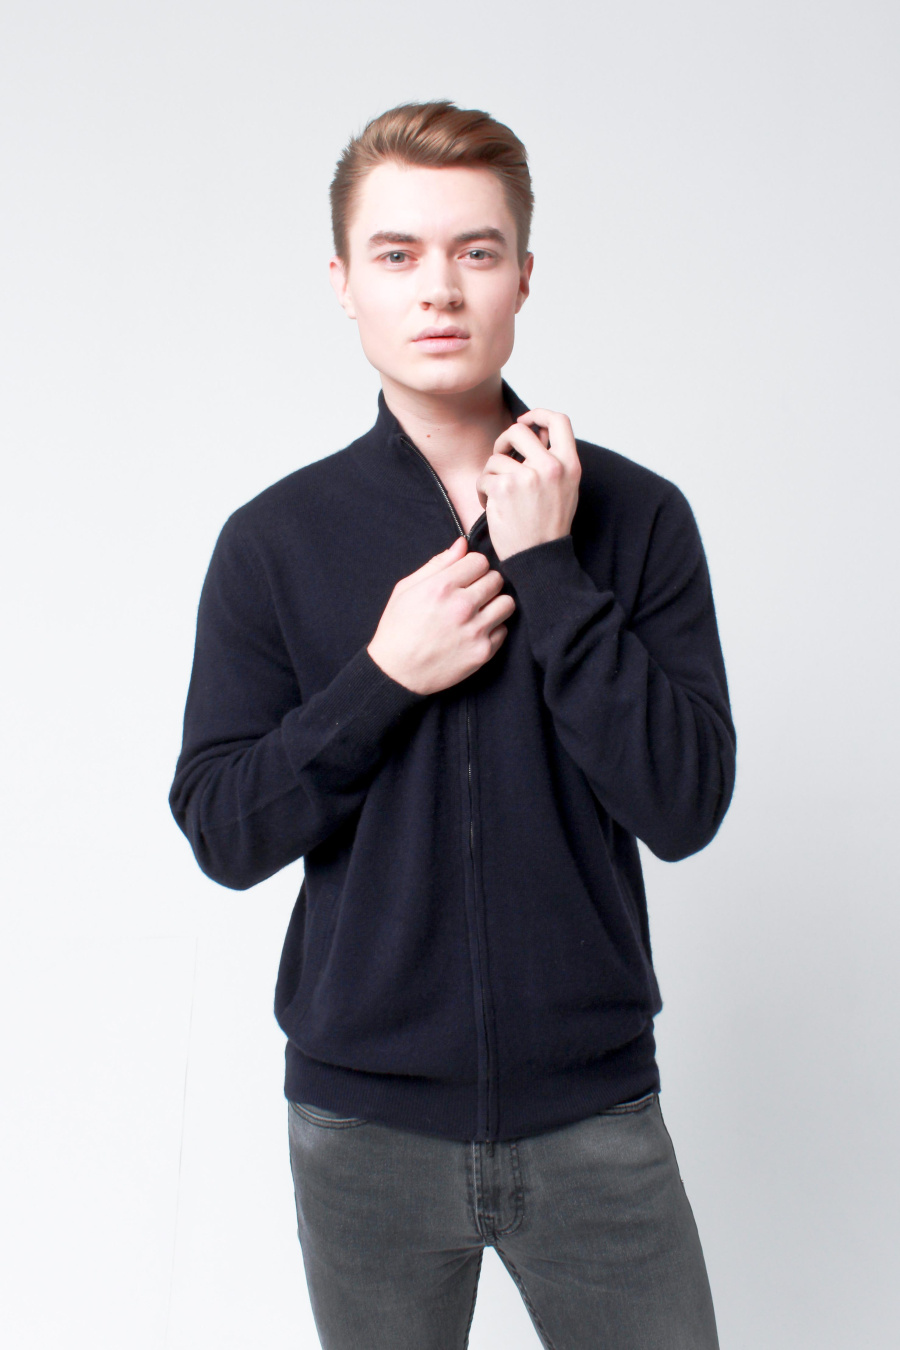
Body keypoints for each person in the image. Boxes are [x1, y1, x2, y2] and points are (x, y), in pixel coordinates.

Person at [170, 100, 736, 1350]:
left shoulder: (637, 518)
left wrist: (552, 575)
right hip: (363, 1132)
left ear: (523, 275)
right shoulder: (275, 542)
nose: (439, 288)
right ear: (344, 282)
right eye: (398, 253)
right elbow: (223, 828)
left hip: (595, 1119)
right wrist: (384, 673)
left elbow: (686, 804)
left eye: (476, 251)